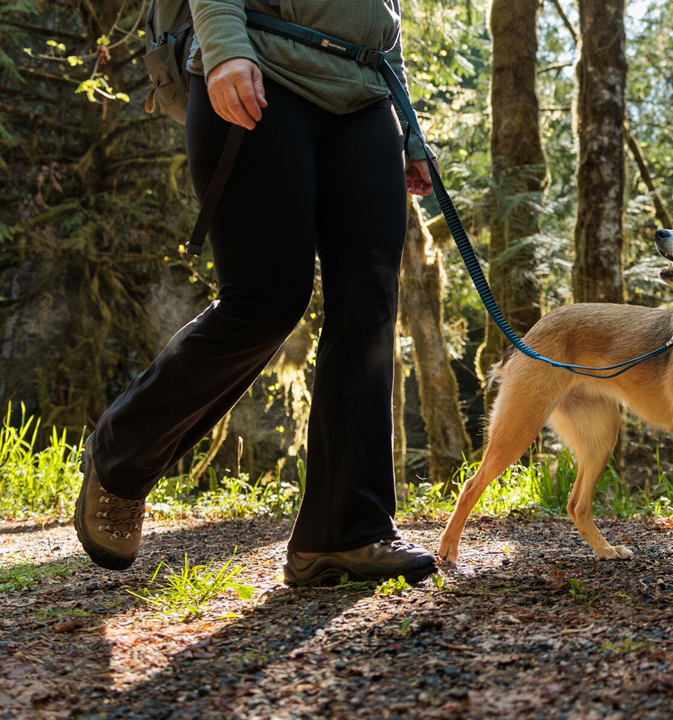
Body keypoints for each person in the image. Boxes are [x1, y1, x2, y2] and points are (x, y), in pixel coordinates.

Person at [73, 0, 439, 587]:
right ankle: (124, 452)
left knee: (369, 306)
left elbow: (381, 17)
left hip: (367, 92)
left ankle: (345, 532)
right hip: (261, 64)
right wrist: (223, 48)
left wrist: (411, 133)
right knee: (267, 299)